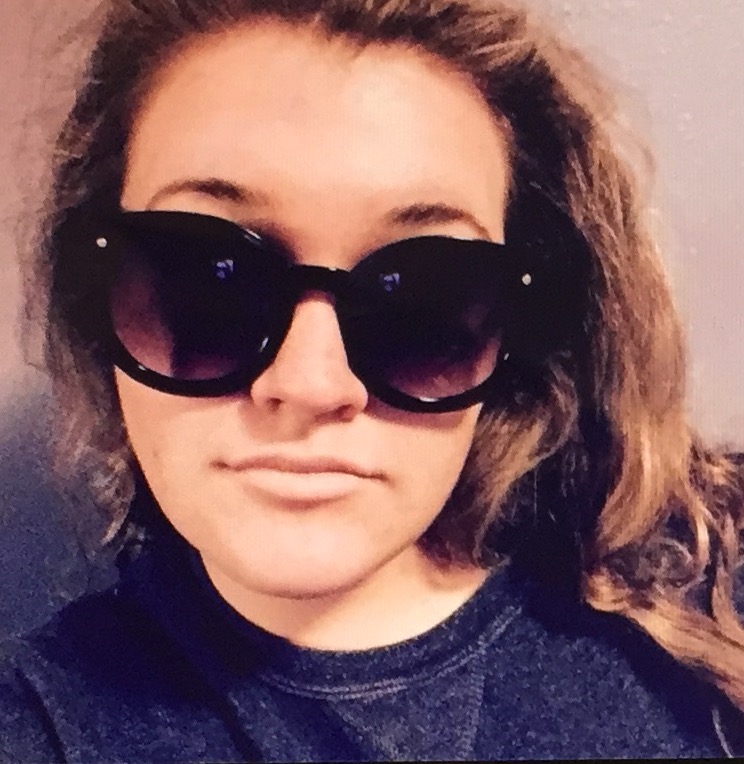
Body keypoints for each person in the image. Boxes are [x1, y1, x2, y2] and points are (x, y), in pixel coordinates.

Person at [2, 0, 743, 760]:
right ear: (97, 293)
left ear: (521, 330)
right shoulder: (38, 727)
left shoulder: (715, 591)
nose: (312, 384)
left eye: (424, 297)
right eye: (207, 279)